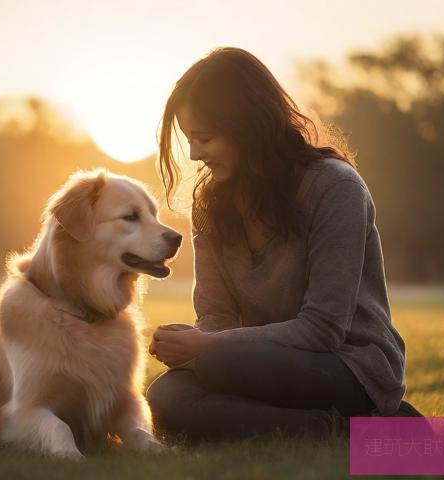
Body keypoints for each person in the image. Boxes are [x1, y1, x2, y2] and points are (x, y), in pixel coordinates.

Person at [146, 47, 423, 444]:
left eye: (204, 138)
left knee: (220, 361)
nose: (194, 154)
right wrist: (191, 344)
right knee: (166, 395)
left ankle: (389, 432)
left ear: (247, 125)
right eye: (190, 139)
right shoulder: (208, 204)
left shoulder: (334, 187)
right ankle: (349, 435)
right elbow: (216, 316)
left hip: (349, 365)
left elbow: (323, 329)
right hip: (258, 363)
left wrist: (207, 346)